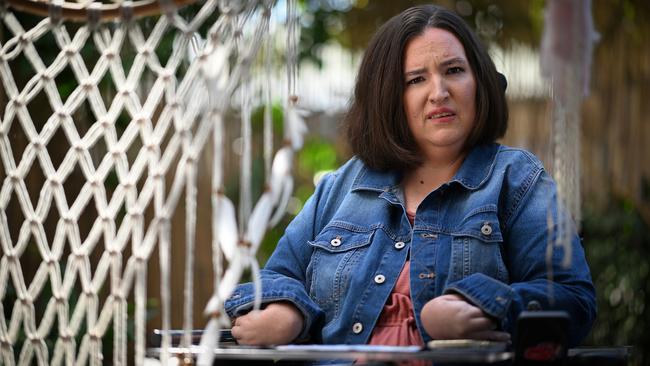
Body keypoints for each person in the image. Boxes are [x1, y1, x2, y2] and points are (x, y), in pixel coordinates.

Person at [225, 4, 596, 349]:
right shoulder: (340, 187)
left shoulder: (517, 179)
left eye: (454, 71)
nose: (439, 92)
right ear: (387, 97)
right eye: (416, 79)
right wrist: (286, 311)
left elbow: (573, 299)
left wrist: (487, 306)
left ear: (478, 81)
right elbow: (277, 277)